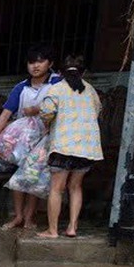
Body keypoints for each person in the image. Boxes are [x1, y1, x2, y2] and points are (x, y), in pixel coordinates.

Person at [0, 44, 61, 230]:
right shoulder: (21, 87)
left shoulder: (57, 83)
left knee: (34, 177)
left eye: (41, 61)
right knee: (19, 177)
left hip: (47, 138)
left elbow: (62, 105)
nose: (35, 66)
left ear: (50, 63)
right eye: (31, 62)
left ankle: (29, 218)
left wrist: (36, 110)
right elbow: (5, 114)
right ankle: (18, 216)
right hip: (23, 140)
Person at [37, 55, 102, 238]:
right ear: (84, 72)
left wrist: (48, 124)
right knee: (76, 187)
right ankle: (72, 228)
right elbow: (97, 111)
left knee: (57, 188)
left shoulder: (56, 89)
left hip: (63, 146)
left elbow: (47, 112)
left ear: (60, 72)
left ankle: (53, 230)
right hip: (87, 147)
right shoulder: (91, 90)